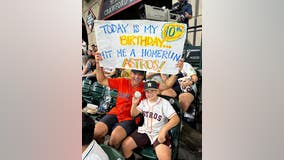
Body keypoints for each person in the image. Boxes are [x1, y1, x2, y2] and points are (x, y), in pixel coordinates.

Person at [93, 52, 178, 149]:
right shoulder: (122, 81)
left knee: (114, 139)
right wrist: (98, 63)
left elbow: (166, 85)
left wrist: (176, 71)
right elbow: (101, 80)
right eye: (134, 73)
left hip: (131, 118)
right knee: (96, 132)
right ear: (130, 72)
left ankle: (113, 153)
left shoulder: (147, 87)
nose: (136, 77)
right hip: (115, 112)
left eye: (140, 74)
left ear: (144, 76)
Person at [121, 81, 180, 160]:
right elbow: (133, 114)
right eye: (147, 92)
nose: (150, 93)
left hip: (158, 132)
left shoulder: (164, 103)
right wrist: (134, 104)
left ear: (157, 91)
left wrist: (164, 130)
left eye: (152, 91)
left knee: (165, 158)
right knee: (125, 146)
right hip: (145, 131)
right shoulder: (144, 102)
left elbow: (176, 119)